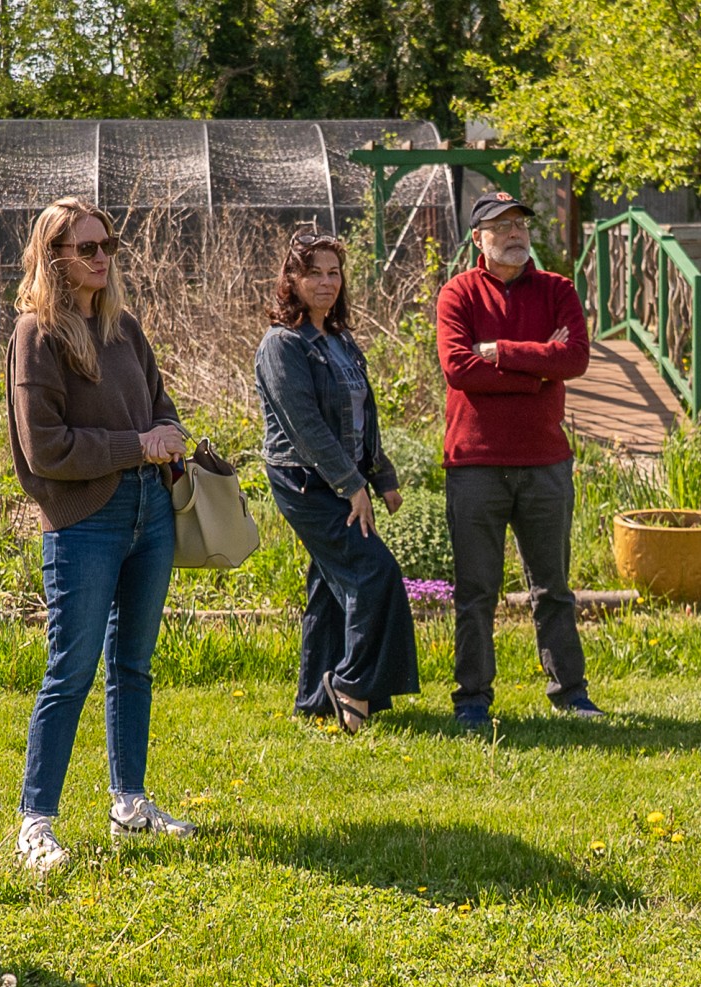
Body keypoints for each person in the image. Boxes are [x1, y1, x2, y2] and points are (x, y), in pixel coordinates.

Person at [5, 197, 195, 872]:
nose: (101, 258)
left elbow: (161, 405)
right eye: (86, 248)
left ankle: (130, 805)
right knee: (71, 670)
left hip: (151, 514)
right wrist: (136, 445)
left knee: (134, 665)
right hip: (85, 521)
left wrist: (168, 434)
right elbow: (46, 449)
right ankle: (35, 824)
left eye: (108, 245)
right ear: (52, 256)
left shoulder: (124, 328)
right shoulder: (37, 335)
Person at [435, 191, 602, 732]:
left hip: (544, 462)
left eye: (520, 224)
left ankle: (570, 692)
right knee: (475, 591)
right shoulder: (457, 293)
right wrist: (538, 370)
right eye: (500, 225)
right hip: (475, 463)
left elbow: (574, 358)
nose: (514, 233)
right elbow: (458, 368)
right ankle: (472, 698)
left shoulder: (558, 290)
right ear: (478, 238)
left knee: (552, 588)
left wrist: (501, 352)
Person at [256, 231, 419, 733]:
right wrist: (353, 487)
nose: (326, 282)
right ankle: (351, 683)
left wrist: (382, 477)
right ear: (292, 280)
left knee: (329, 586)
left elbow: (362, 416)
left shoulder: (341, 341)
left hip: (343, 478)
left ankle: (314, 699)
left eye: (334, 272)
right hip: (305, 480)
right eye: (314, 273)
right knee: (374, 572)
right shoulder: (281, 345)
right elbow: (305, 427)